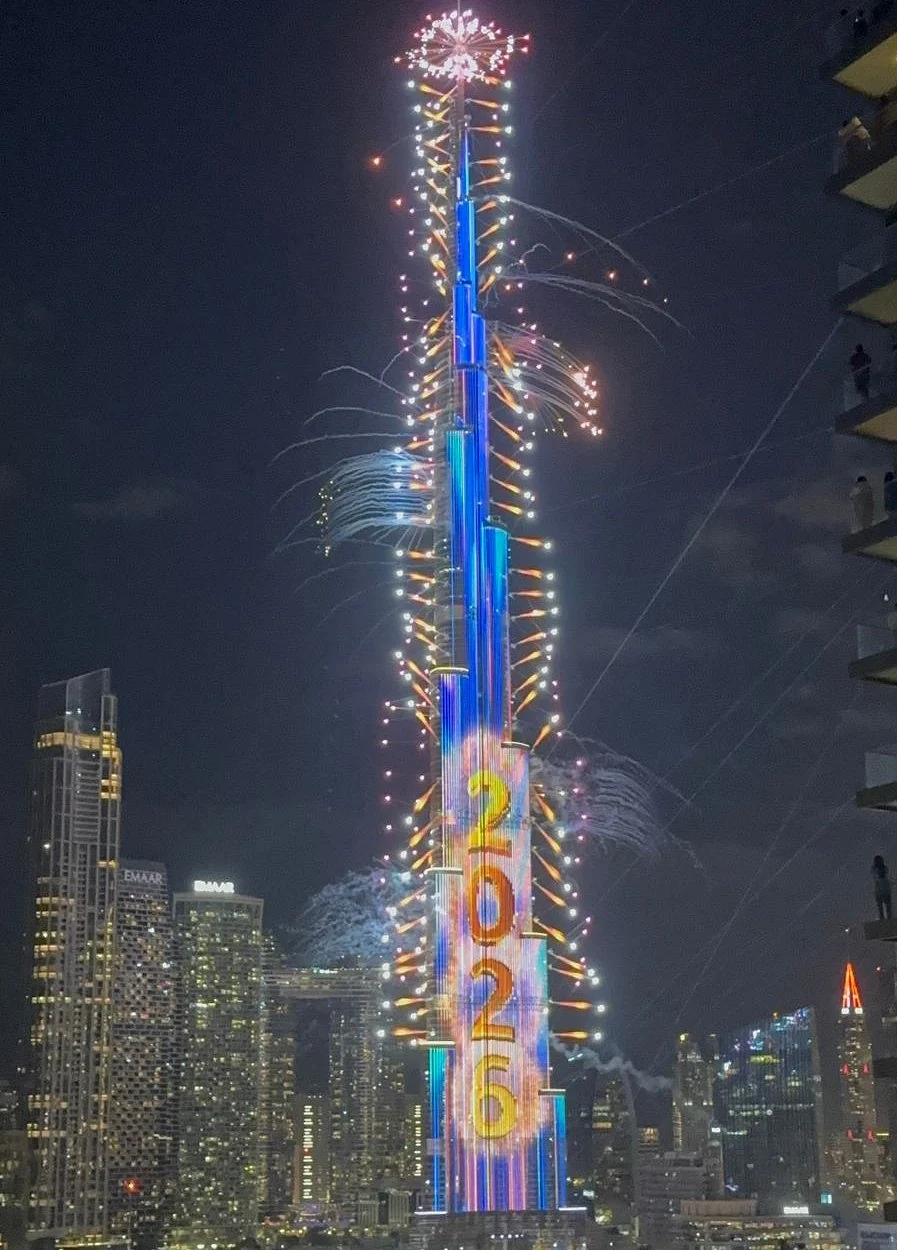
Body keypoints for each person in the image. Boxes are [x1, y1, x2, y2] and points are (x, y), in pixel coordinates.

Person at [873, 854, 892, 920]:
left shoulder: (885, 868)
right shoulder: (874, 870)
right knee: (880, 909)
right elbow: (876, 877)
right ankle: (882, 921)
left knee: (888, 908)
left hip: (886, 891)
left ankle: (889, 920)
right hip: (879, 892)